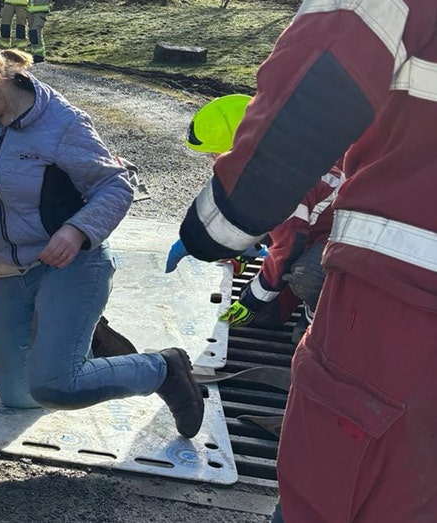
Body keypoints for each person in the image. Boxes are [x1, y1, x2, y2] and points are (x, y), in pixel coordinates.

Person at [166, 1, 437, 521]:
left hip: (396, 314)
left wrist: (225, 254)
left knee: (334, 484)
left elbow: (281, 240)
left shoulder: (300, 181)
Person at [0, 38, 205, 438]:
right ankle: (76, 338)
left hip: (70, 263)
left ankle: (162, 368)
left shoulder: (61, 124)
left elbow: (116, 186)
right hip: (8, 272)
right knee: (15, 394)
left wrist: (77, 230)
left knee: (55, 385)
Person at [173, 94, 346, 343]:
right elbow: (253, 216)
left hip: (340, 238)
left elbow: (287, 249)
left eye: (215, 154)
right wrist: (242, 251)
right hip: (312, 227)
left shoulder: (286, 183)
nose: (213, 162)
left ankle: (317, 319)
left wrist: (251, 302)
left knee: (302, 280)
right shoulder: (275, 152)